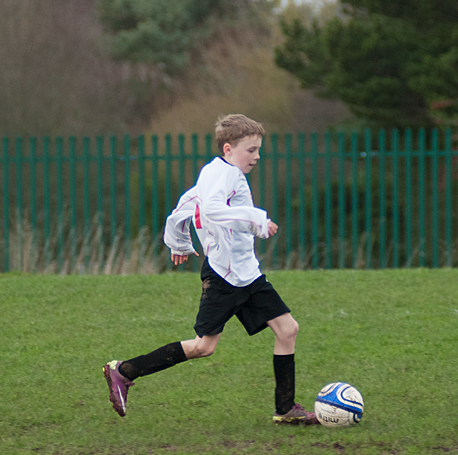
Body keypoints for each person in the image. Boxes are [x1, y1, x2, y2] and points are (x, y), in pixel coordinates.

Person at [103, 114, 317, 425]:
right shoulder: (225, 175)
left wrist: (178, 242)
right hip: (225, 277)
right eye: (251, 150)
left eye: (259, 150)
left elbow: (184, 207)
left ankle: (285, 409)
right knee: (204, 346)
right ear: (229, 148)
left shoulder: (214, 172)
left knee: (288, 329)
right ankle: (123, 371)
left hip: (247, 274)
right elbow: (214, 209)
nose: (257, 156)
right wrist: (257, 218)